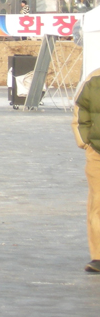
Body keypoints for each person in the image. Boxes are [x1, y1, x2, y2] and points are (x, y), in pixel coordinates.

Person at [73, 68, 100, 273]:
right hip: (98, 152)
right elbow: (81, 110)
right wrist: (85, 142)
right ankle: (98, 256)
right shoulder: (94, 78)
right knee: (98, 203)